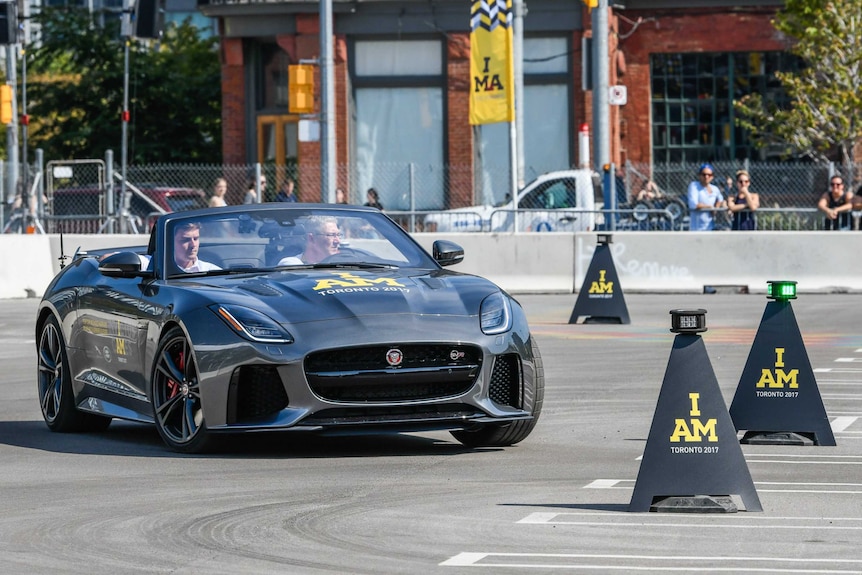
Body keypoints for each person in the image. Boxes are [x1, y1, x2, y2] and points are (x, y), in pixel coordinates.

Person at [277, 216, 341, 265]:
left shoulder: (342, 264)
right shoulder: (292, 264)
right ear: (311, 238)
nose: (337, 241)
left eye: (338, 235)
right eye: (331, 235)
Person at [686, 163, 726, 231]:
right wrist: (709, 207)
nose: (706, 177)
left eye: (709, 175)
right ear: (699, 175)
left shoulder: (715, 188)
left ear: (712, 177)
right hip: (696, 228)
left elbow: (720, 199)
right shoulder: (694, 186)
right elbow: (693, 204)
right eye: (704, 174)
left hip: (710, 227)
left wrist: (716, 208)